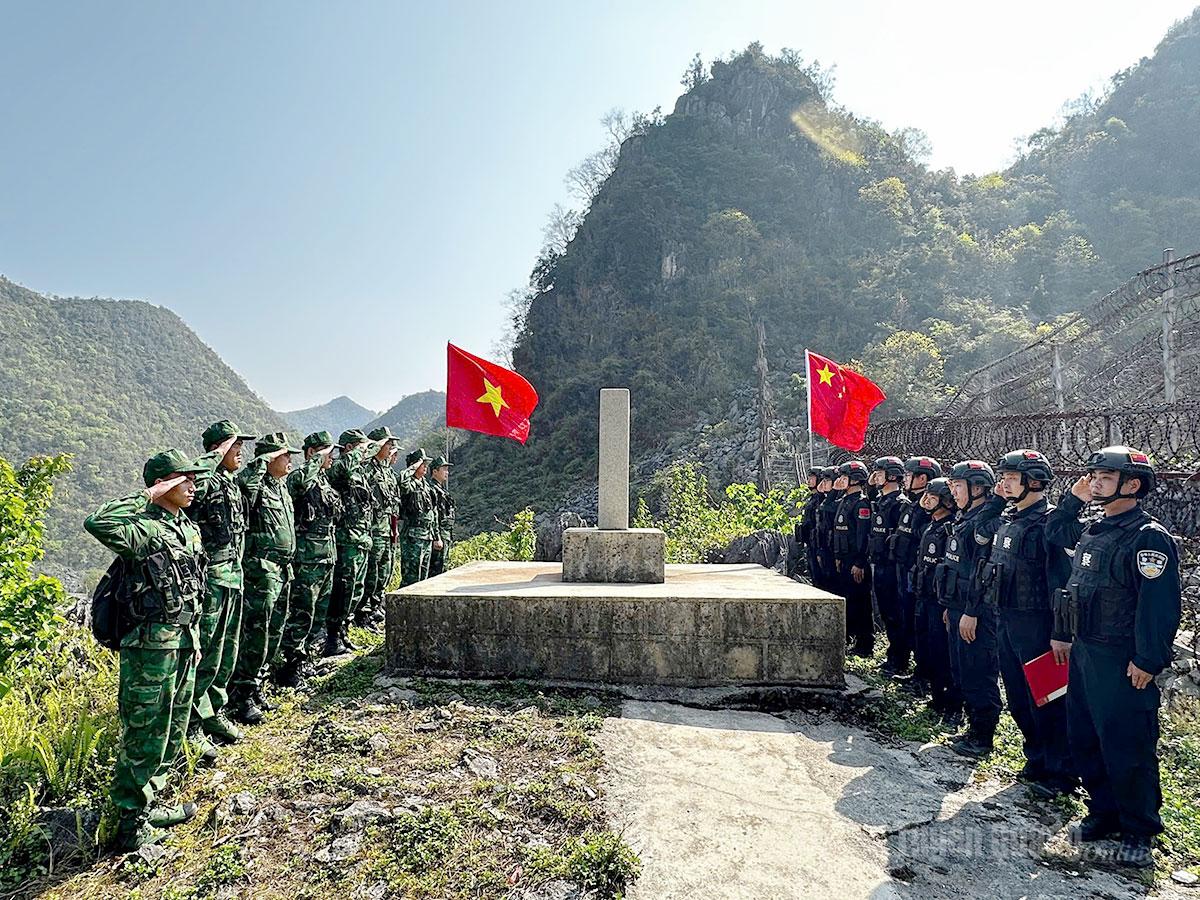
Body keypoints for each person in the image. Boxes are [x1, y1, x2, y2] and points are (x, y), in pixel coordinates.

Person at [1046, 446, 1181, 868]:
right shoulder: (1096, 528)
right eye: (1094, 475)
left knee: (1128, 744)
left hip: (1122, 659)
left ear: (1133, 484)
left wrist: (1147, 659)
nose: (1095, 482)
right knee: (1086, 736)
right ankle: (1103, 811)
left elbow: (1158, 607)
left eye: (1105, 476)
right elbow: (1056, 534)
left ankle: (1139, 829)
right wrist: (1066, 636)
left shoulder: (1147, 537)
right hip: (1086, 650)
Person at [84, 449, 210, 850]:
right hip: (150, 648)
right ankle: (128, 826)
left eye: (191, 478)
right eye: (182, 479)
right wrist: (150, 494)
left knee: (172, 730)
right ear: (163, 484)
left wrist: (197, 638)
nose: (191, 485)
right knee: (145, 733)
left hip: (183, 640)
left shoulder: (186, 528)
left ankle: (147, 803)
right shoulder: (143, 529)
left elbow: (194, 586)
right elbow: (98, 522)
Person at [987, 450, 1076, 798]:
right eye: (1004, 476)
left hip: (1040, 625)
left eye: (1012, 477)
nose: (1004, 482)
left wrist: (1061, 633)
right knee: (1019, 696)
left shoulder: (1049, 524)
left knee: (1049, 699)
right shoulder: (1011, 519)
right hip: (1009, 619)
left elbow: (1063, 582)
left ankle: (1061, 773)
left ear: (1034, 482)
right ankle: (1036, 758)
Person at [186, 421, 254, 754]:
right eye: (234, 446)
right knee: (207, 648)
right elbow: (196, 474)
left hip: (233, 572)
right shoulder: (205, 481)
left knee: (227, 648)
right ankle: (192, 724)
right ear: (218, 449)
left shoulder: (231, 483)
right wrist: (216, 454)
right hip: (212, 574)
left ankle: (215, 709)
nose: (240, 451)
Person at [228, 432, 300, 724]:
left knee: (274, 631)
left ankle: (256, 685)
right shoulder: (254, 483)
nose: (290, 460)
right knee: (256, 633)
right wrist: (260, 464)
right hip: (261, 570)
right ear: (269, 459)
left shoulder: (281, 488)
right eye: (284, 455)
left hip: (282, 569)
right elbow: (247, 490)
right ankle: (241, 695)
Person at [939, 459, 1006, 757]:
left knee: (979, 671)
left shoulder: (988, 522)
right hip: (958, 606)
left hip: (975, 612)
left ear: (978, 488)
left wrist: (971, 612)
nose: (953, 491)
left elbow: (982, 574)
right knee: (962, 668)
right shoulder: (965, 517)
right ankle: (972, 727)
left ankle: (983, 735)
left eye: (958, 486)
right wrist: (951, 607)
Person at [277, 431, 342, 688]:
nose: (331, 457)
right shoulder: (299, 478)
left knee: (319, 612)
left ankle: (305, 661)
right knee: (302, 612)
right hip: (307, 559)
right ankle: (288, 667)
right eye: (326, 452)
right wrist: (316, 459)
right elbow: (301, 482)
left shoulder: (325, 483)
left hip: (327, 556)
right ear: (311, 453)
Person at [911, 477, 961, 724]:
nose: (927, 499)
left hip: (939, 600)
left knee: (943, 653)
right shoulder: (931, 525)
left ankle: (950, 703)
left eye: (933, 496)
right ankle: (934, 694)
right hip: (924, 594)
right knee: (926, 645)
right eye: (926, 495)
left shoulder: (951, 529)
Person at [323, 430, 378, 656]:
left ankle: (344, 633)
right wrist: (355, 453)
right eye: (361, 448)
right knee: (343, 590)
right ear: (349, 449)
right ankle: (332, 638)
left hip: (361, 539)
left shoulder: (360, 473)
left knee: (356, 590)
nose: (365, 453)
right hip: (346, 540)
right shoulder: (339, 469)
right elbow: (341, 470)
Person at [891, 456, 943, 693]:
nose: (906, 480)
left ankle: (925, 677)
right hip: (907, 571)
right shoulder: (911, 505)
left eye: (910, 475)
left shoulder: (928, 511)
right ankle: (917, 671)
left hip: (921, 576)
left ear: (923, 478)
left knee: (923, 628)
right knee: (909, 620)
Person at [868, 456, 907, 674]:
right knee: (886, 612)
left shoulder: (899, 504)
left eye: (880, 473)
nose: (876, 477)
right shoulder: (882, 500)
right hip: (880, 563)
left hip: (892, 567)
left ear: (892, 476)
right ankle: (893, 656)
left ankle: (899, 660)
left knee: (894, 613)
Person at [832, 460, 874, 657]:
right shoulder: (844, 501)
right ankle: (853, 639)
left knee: (861, 603)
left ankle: (865, 644)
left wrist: (859, 562)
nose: (840, 480)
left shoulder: (861, 503)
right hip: (845, 559)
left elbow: (862, 536)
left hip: (856, 561)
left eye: (844, 477)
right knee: (850, 600)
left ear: (855, 480)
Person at [360, 426, 400, 628]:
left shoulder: (383, 472)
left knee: (382, 573)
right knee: (371, 574)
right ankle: (364, 614)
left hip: (384, 529)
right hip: (372, 530)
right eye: (388, 443)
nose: (392, 447)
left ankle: (374, 609)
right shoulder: (366, 469)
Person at [397, 448, 439, 586]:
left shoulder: (426, 485)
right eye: (422, 464)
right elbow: (402, 482)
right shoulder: (409, 483)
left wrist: (435, 535)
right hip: (412, 536)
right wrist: (413, 467)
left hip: (426, 536)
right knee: (411, 576)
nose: (425, 467)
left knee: (423, 576)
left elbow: (432, 512)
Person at [792, 468, 824, 582]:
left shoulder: (821, 500)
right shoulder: (812, 499)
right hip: (810, 544)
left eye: (812, 478)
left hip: (818, 545)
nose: (809, 480)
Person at [814, 468, 842, 593]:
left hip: (835, 551)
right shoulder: (827, 499)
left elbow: (826, 507)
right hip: (824, 548)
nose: (823, 484)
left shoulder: (839, 501)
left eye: (827, 481)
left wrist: (835, 490)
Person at [428, 455, 455, 577]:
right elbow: (433, 515)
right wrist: (436, 537)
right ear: (435, 471)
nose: (447, 472)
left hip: (446, 533)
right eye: (443, 469)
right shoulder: (432, 489)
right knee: (436, 570)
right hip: (439, 533)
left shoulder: (441, 490)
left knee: (443, 567)